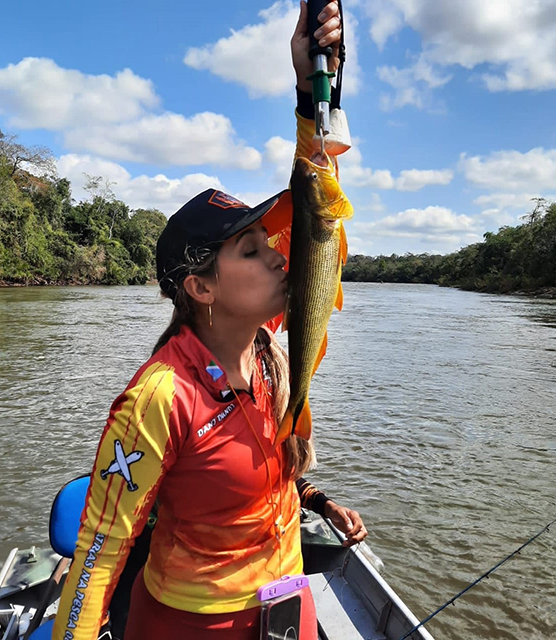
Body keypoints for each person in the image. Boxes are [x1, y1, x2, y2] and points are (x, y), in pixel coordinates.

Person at [52, 3, 366, 639]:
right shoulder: (158, 398)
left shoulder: (276, 354)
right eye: (250, 249)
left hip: (287, 611)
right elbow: (98, 556)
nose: (277, 253)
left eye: (268, 242)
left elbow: (314, 213)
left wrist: (311, 90)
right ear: (202, 288)